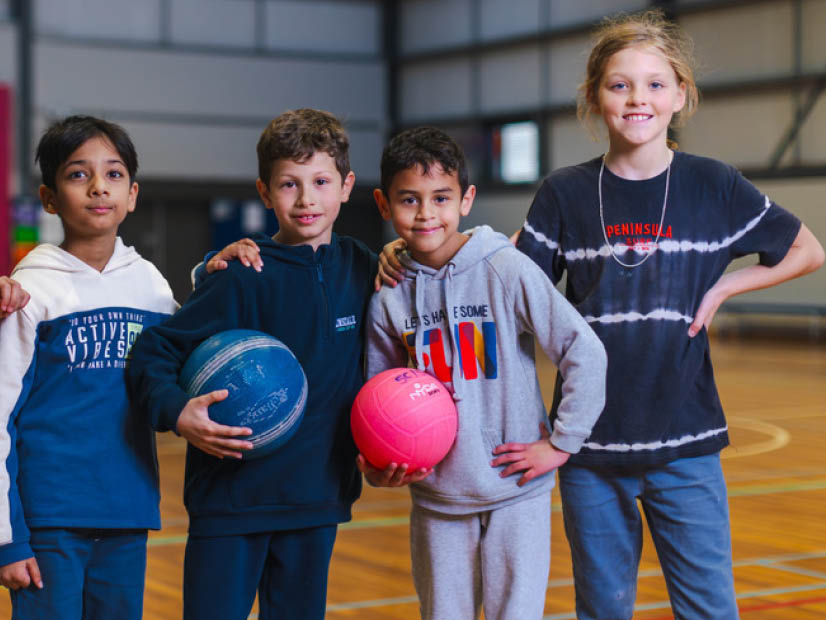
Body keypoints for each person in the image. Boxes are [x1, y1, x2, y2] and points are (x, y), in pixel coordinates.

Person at [513, 10, 825, 620]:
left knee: (709, 608)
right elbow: (514, 290)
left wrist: (728, 286)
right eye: (619, 84)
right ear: (595, 96)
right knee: (603, 608)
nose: (638, 99)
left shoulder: (713, 185)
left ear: (681, 94)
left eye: (656, 84)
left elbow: (807, 249)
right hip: (588, 447)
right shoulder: (564, 192)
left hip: (686, 444)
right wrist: (420, 249)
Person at [126, 108, 378, 620]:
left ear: (347, 186)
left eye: (321, 181)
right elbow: (153, 352)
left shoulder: (363, 267)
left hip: (316, 500)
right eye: (289, 184)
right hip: (231, 502)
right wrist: (177, 412)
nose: (307, 199)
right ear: (264, 193)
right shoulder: (242, 273)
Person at [364, 126, 607, 620]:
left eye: (441, 198)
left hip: (517, 489)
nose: (427, 213)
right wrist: (374, 460)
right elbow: (375, 396)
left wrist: (562, 443)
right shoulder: (388, 295)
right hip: (436, 497)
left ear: (467, 199)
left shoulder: (505, 269)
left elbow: (583, 349)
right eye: (409, 199)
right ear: (384, 204)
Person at [0, 116, 178, 619]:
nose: (99, 187)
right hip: (48, 521)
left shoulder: (153, 288)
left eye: (114, 174)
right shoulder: (30, 291)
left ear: (133, 194)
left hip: (127, 513)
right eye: (78, 174)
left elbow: (188, 363)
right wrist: (7, 539)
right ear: (50, 198)